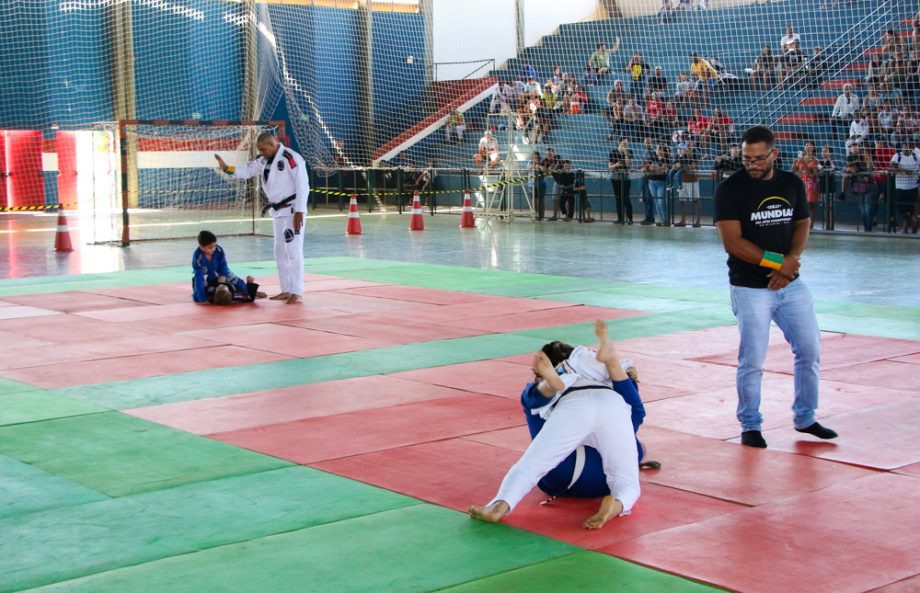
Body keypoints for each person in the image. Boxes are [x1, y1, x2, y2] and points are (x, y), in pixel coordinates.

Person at [714, 125, 838, 449]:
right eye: (746, 158)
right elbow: (733, 243)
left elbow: (802, 222)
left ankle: (805, 417)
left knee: (810, 350)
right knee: (752, 360)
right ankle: (750, 424)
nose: (751, 164)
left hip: (791, 285)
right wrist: (776, 262)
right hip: (750, 288)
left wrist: (791, 260)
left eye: (758, 158)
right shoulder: (730, 189)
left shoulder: (791, 183)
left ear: (774, 154)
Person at [468, 320, 641, 530]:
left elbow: (533, 406)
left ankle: (499, 505)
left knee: (532, 464)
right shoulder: (604, 379)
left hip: (572, 407)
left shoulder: (538, 393)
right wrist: (614, 367)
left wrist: (548, 384)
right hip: (611, 404)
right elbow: (637, 412)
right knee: (627, 480)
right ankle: (617, 504)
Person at [519, 350, 658, 501]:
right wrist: (627, 380)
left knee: (533, 401)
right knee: (632, 439)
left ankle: (548, 387)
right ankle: (620, 501)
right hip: (608, 481)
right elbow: (637, 414)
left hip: (560, 478)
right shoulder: (610, 392)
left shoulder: (533, 394)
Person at [215, 132, 308, 305]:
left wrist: (300, 211)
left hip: (293, 210)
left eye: (264, 149)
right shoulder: (263, 160)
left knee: (293, 251)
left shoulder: (291, 158)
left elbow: (303, 185)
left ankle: (297, 290)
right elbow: (247, 170)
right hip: (278, 211)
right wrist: (227, 168)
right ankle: (286, 289)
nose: (262, 152)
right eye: (260, 150)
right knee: (279, 250)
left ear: (273, 144)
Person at [192, 230, 265, 305]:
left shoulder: (218, 250)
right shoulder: (198, 257)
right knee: (197, 295)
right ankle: (249, 292)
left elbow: (223, 264)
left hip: (220, 271)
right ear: (201, 246)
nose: (213, 249)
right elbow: (198, 276)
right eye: (210, 248)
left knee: (237, 281)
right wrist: (202, 299)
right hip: (206, 275)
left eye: (214, 246)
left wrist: (223, 275)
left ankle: (246, 290)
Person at [890, 142, 920, 233]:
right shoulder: (897, 155)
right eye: (904, 145)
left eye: (908, 145)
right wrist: (904, 170)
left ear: (911, 147)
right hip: (900, 186)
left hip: (913, 186)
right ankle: (913, 224)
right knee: (901, 209)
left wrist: (917, 173)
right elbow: (892, 166)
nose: (906, 147)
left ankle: (907, 229)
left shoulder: (916, 157)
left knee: (911, 210)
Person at [792, 141, 821, 227]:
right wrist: (794, 163)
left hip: (811, 185)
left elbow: (813, 173)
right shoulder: (800, 159)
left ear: (813, 148)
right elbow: (794, 171)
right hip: (801, 183)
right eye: (807, 145)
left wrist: (803, 162)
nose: (808, 147)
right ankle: (800, 225)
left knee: (810, 206)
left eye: (810, 145)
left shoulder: (816, 160)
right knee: (799, 205)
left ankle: (810, 226)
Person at [609, 138, 634, 224]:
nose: (625, 145)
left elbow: (628, 164)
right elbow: (610, 166)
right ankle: (620, 218)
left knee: (626, 198)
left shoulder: (629, 152)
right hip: (615, 178)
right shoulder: (613, 152)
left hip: (626, 178)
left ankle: (630, 219)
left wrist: (626, 153)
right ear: (619, 143)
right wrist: (616, 164)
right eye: (624, 144)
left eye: (626, 144)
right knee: (618, 198)